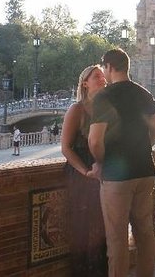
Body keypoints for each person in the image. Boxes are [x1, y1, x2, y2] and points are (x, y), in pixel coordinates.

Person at [88, 48, 155, 277]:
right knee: (145, 233)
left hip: (116, 177)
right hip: (145, 170)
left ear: (109, 67)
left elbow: (94, 140)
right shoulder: (143, 93)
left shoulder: (104, 96)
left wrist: (102, 161)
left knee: (117, 238)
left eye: (104, 69)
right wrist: (140, 148)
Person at [61, 65, 108, 276]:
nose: (102, 79)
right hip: (82, 176)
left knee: (103, 227)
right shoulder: (77, 109)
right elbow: (66, 147)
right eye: (96, 76)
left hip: (104, 173)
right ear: (85, 83)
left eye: (103, 76)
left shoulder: (107, 108)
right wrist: (84, 171)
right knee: (82, 228)